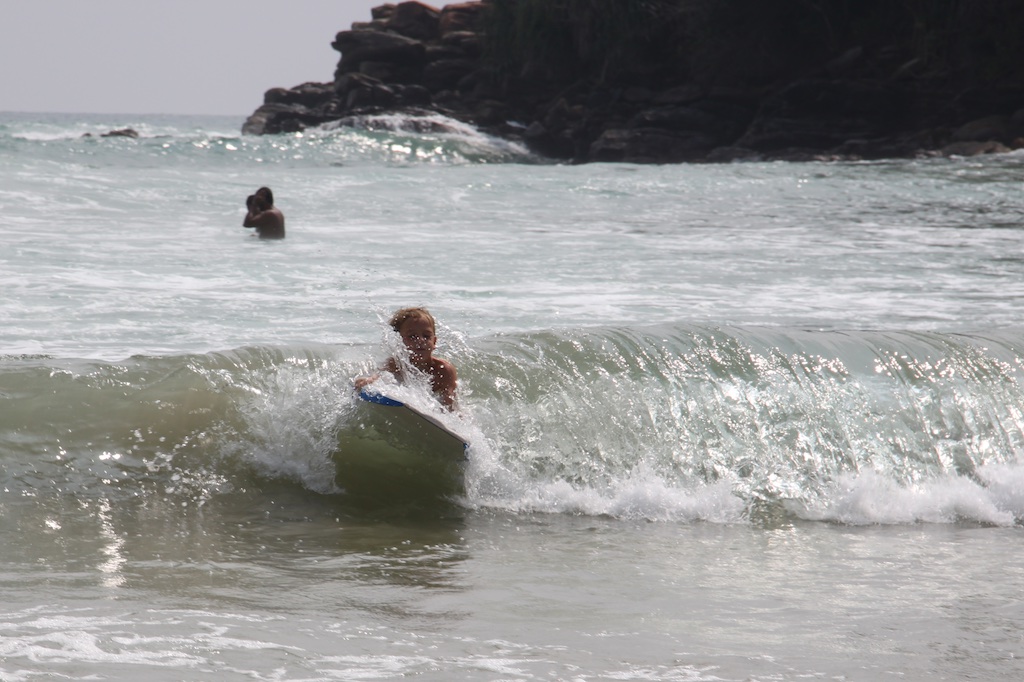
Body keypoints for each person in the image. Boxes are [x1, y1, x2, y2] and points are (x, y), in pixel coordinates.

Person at [355, 307, 458, 410]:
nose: (421, 340)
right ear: (398, 341)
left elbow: (450, 405)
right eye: (412, 336)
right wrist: (367, 381)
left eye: (426, 336)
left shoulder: (444, 370)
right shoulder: (395, 364)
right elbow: (378, 377)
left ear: (434, 342)